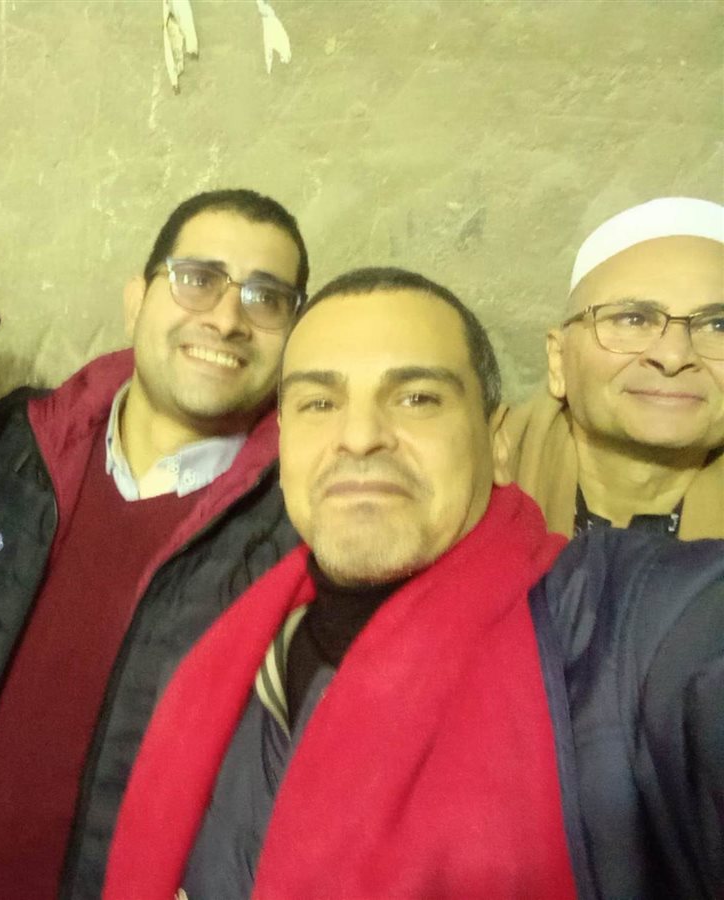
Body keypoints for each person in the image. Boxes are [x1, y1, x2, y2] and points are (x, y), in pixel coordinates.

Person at [104, 267, 723, 900]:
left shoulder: (623, 626)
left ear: (496, 442)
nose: (359, 437)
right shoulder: (234, 656)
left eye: (418, 398)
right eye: (319, 403)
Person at [0, 189, 310, 899]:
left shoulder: (302, 522)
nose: (227, 318)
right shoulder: (15, 442)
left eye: (265, 298)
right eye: (198, 279)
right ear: (137, 300)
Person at [502, 197, 724, 538]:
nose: (673, 357)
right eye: (633, 319)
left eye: (718, 326)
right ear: (558, 359)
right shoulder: (465, 477)